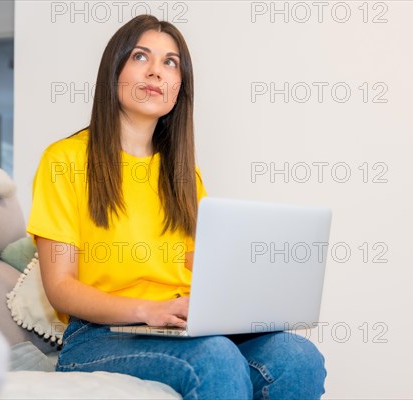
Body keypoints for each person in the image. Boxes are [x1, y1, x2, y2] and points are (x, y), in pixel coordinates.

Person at [27, 14, 326, 400]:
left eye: (170, 63)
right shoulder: (64, 160)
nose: (156, 72)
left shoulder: (186, 175)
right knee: (214, 357)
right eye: (140, 57)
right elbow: (61, 287)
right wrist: (145, 310)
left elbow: (199, 269)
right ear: (113, 69)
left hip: (181, 323)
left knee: (297, 356)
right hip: (98, 335)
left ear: (179, 86)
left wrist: (246, 288)